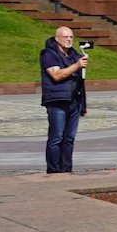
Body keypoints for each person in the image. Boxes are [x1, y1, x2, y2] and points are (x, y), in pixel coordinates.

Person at [40, 26, 88, 174]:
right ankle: (54, 170)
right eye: (65, 37)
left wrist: (83, 105)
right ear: (57, 38)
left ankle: (67, 170)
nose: (69, 39)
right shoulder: (48, 54)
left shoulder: (74, 55)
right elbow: (56, 75)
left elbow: (80, 83)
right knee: (56, 138)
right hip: (57, 101)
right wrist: (76, 65)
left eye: (71, 37)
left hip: (74, 101)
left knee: (69, 138)